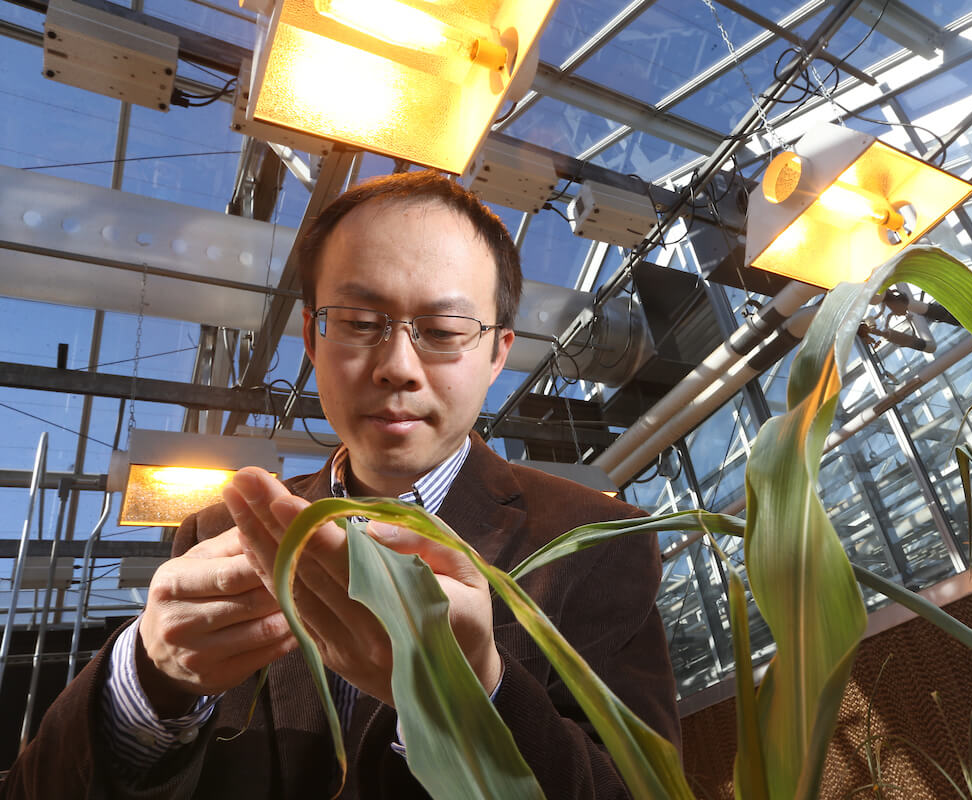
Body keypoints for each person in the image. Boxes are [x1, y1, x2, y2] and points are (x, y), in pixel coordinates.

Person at [3, 172, 680, 799]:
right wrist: (146, 680)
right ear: (310, 335)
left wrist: (473, 699)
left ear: (499, 350)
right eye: (360, 323)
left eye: (444, 330)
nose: (397, 367)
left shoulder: (597, 544)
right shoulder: (219, 532)